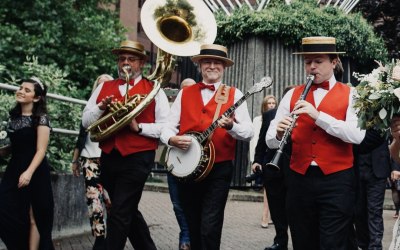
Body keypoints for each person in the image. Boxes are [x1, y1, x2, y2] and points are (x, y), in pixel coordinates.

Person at [266, 36, 365, 250]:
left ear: (334, 62)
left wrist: (318, 116)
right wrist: (278, 134)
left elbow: (356, 136)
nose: (312, 67)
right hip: (299, 180)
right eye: (308, 61)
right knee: (303, 242)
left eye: (318, 61)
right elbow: (270, 139)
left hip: (337, 181)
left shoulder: (352, 94)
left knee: (332, 244)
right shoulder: (292, 94)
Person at [160, 44, 254, 249]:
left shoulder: (235, 94)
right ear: (200, 65)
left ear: (224, 67)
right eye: (207, 62)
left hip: (219, 168)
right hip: (187, 169)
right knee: (192, 224)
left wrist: (231, 126)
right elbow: (167, 127)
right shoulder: (185, 94)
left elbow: (248, 132)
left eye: (217, 62)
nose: (212, 66)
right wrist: (172, 140)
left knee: (210, 226)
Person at [82, 40, 170, 250]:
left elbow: (166, 127)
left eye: (131, 59)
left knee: (120, 211)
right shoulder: (105, 86)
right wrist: (101, 109)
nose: (125, 63)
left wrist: (138, 127)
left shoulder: (154, 90)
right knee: (127, 209)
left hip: (138, 157)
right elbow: (86, 120)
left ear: (141, 63)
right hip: (110, 156)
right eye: (122, 59)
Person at [0, 77, 54, 249]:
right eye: (20, 87)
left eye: (27, 90)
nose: (21, 91)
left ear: (37, 98)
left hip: (35, 170)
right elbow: (16, 145)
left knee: (34, 215)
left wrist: (29, 173)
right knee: (4, 208)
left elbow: (40, 150)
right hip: (14, 168)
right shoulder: (13, 117)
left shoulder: (41, 119)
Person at [70, 74, 113, 250]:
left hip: (110, 159)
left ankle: (113, 235)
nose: (102, 89)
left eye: (106, 85)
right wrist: (74, 160)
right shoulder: (90, 109)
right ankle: (100, 239)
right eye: (100, 85)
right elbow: (81, 136)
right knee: (93, 201)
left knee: (111, 201)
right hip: (89, 158)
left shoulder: (114, 108)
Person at [253, 86, 296, 250]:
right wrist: (257, 160)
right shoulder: (270, 115)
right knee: (276, 206)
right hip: (273, 166)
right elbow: (262, 139)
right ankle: (280, 241)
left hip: (294, 167)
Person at [167, 77, 195, 250]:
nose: (187, 92)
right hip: (174, 161)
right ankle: (185, 234)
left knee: (192, 202)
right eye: (183, 89)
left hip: (194, 163)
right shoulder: (173, 109)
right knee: (177, 203)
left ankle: (189, 236)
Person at [354, 139, 391, 250]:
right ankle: (363, 246)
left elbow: (395, 138)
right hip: (356, 168)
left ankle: (375, 247)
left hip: (378, 169)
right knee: (358, 212)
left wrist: (395, 167)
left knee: (375, 212)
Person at [250, 95, 277, 228]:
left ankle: (271, 215)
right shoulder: (258, 119)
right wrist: (255, 159)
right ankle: (265, 215)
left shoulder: (277, 116)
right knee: (267, 187)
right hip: (264, 156)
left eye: (273, 103)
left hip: (273, 155)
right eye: (269, 103)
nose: (271, 105)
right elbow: (256, 140)